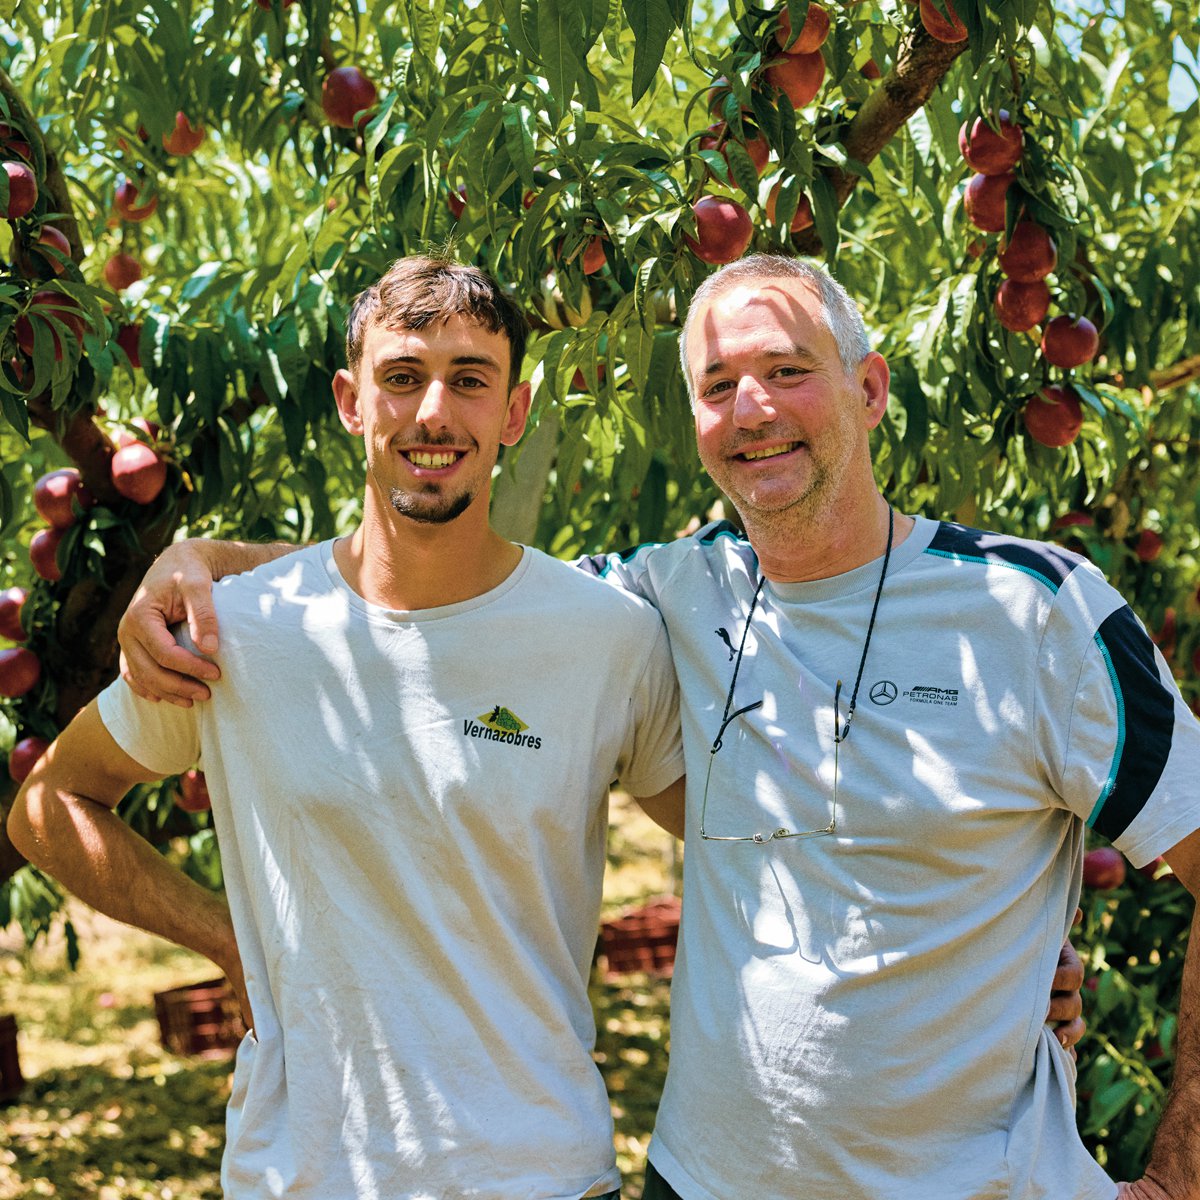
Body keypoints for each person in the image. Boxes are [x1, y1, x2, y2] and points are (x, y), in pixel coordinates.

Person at [111, 256, 1115, 1197]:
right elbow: (414, 584)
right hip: (487, 1175)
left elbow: (761, 822)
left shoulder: (1016, 609)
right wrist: (206, 559)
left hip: (619, 1171)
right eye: (719, 383)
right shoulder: (248, 632)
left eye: (787, 370)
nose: (752, 407)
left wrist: (1012, 973)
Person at [7, 256, 688, 1200]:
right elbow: (49, 805)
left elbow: (739, 840)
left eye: (470, 380)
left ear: (517, 414)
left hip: (540, 1173)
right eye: (402, 377)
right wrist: (220, 934)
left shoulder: (604, 638)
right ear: (350, 401)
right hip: (306, 1175)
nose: (434, 414)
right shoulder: (237, 630)